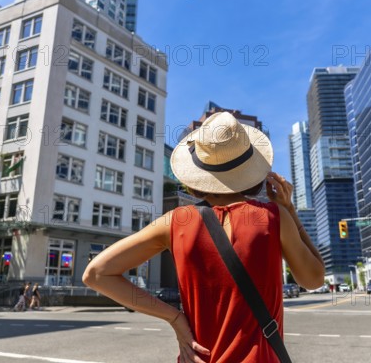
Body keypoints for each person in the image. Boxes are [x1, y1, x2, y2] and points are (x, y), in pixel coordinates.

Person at [83, 112, 325, 362]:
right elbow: (314, 279)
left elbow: (96, 274)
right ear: (250, 169)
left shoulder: (175, 222)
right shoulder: (274, 218)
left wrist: (174, 317)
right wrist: (291, 211)